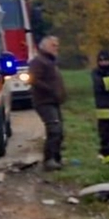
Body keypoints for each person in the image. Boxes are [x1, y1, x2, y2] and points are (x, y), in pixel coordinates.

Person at [29, 35, 66, 171]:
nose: (56, 48)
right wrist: (51, 90)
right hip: (44, 101)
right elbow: (33, 79)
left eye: (57, 45)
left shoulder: (51, 61)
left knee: (59, 131)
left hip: (54, 101)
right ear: (44, 46)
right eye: (53, 45)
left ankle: (56, 158)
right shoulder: (39, 61)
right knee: (54, 129)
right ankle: (49, 160)